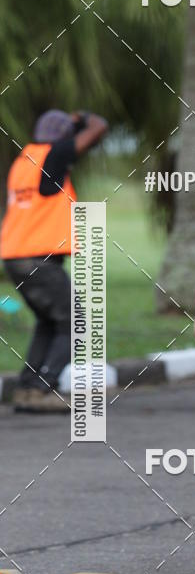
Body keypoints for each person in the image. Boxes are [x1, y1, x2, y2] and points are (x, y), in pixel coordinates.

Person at [0, 109, 109, 412]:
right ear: (64, 138)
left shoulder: (24, 160)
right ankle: (41, 388)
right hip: (37, 260)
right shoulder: (54, 155)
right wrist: (82, 118)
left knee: (50, 322)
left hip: (15, 258)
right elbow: (100, 127)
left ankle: (27, 388)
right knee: (75, 322)